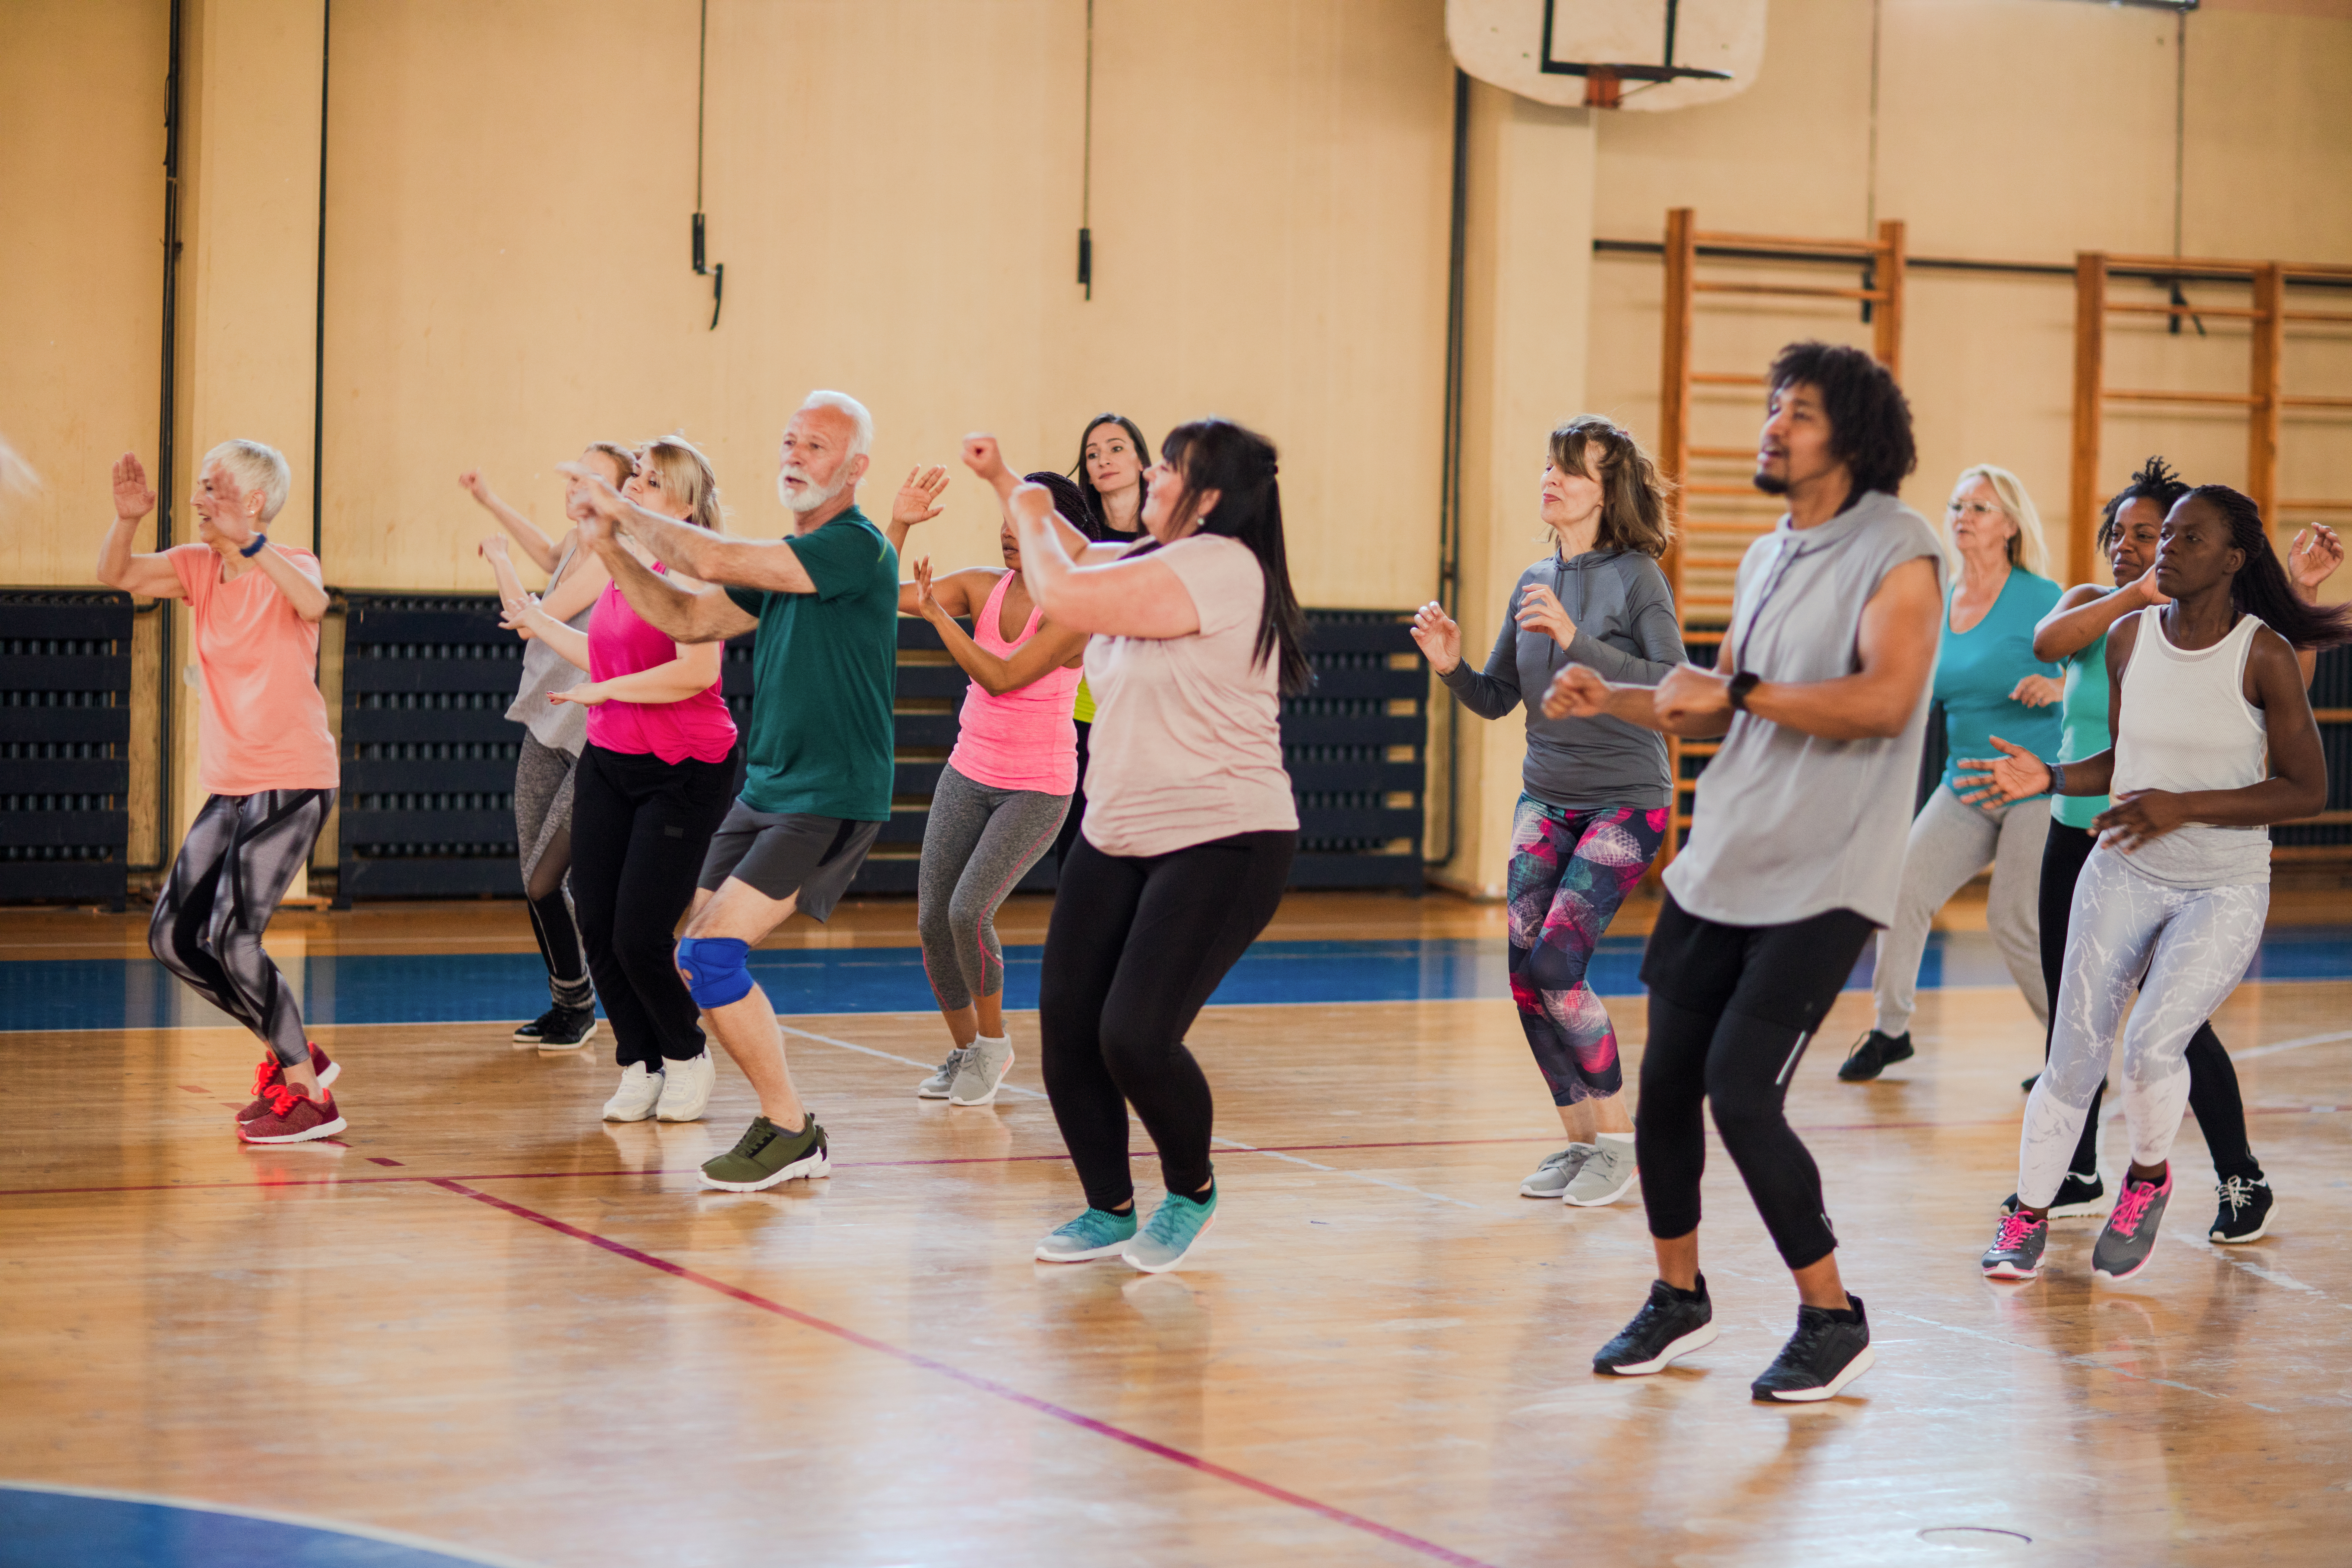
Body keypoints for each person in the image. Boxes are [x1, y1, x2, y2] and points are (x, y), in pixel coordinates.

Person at [1542, 342, 1944, 1400]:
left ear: (1850, 436)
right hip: (1722, 858)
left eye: (1797, 413)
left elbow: (1883, 701)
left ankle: (1828, 1314)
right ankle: (1677, 1296)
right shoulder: (1768, 550)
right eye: (1770, 407)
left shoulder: (1897, 546)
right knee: (1665, 1087)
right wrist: (1619, 699)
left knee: (1738, 1092)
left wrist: (1743, 691)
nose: (1771, 426)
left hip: (1825, 873)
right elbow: (1724, 695)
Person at [1968, 485, 2346, 1284]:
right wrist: (2051, 775)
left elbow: (2306, 788)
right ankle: (2026, 1213)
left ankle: (2146, 1178)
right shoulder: (2129, 637)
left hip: (2222, 885)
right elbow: (2120, 762)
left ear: (2233, 559)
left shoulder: (2263, 653)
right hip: (2124, 868)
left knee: (2147, 1049)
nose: (2165, 548)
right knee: (2070, 1050)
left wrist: (2185, 806)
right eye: (2160, 535)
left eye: (2186, 538)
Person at [561, 392, 935, 1192]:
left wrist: (621, 514)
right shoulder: (786, 559)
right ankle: (761, 1111)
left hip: (829, 795)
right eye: (791, 439)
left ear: (856, 468)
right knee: (685, 950)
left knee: (711, 949)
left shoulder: (855, 546)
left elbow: (708, 560)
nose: (796, 454)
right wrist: (613, 546)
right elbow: (690, 616)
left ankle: (789, 1127)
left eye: (819, 445)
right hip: (766, 786)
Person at [1011, 417, 1308, 1274]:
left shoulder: (1222, 565)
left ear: (1207, 497)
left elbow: (1061, 590)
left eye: (1167, 466)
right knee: (1068, 1028)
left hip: (1225, 834)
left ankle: (1191, 1187)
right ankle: (1107, 1206)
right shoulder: (1146, 558)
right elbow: (1077, 553)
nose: (1148, 472)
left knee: (1135, 1034)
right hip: (1118, 830)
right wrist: (1009, 485)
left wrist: (1028, 509)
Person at [1409, 416, 1683, 1206]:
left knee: (1559, 968)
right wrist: (1452, 665)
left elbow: (1670, 686)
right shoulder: (1533, 579)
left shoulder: (1637, 578)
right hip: (1546, 796)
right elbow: (1497, 698)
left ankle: (1621, 1141)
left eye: (1571, 470)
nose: (1551, 479)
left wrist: (1579, 640)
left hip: (1625, 802)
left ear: (1608, 491)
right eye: (1550, 466)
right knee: (1525, 977)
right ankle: (1580, 1142)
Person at [99, 442, 345, 1143]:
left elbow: (313, 603)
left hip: (293, 779)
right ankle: (295, 1053)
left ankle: (310, 1096)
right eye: (200, 487)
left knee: (235, 938)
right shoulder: (197, 567)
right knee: (174, 938)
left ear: (255, 504)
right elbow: (116, 572)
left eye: (214, 488)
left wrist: (254, 544)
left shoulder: (290, 562)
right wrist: (126, 520)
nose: (199, 499)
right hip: (232, 784)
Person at [505, 437, 736, 1123]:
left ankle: (688, 1052)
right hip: (612, 760)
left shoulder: (697, 573)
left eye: (655, 482)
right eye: (638, 475)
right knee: (597, 921)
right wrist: (541, 623)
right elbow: (601, 654)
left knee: (640, 933)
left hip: (685, 772)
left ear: (688, 507)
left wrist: (606, 692)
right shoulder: (625, 561)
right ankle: (641, 1062)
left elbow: (696, 674)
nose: (638, 486)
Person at [1839, 466, 2064, 1081]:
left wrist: (2060, 682)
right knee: (1900, 891)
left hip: (2036, 785)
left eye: (1981, 508)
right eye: (1958, 504)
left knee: (2011, 918)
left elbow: (2102, 677)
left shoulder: (2042, 598)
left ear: (2010, 526)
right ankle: (1890, 1030)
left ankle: (2069, 1051)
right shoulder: (1936, 599)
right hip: (1964, 785)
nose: (1964, 516)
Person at [887, 465, 1091, 1106]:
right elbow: (878, 593)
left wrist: (938, 619)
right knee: (930, 922)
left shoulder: (1076, 609)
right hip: (969, 771)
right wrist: (898, 523)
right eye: (1005, 518)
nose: (1007, 532)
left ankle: (995, 1047)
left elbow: (1004, 677)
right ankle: (966, 1051)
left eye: (1024, 521)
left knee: (967, 912)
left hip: (1038, 787)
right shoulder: (981, 586)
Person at [467, 444, 635, 1049]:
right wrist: (490, 501)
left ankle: (591, 1003)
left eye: (592, 478)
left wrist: (498, 558)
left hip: (591, 736)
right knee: (532, 876)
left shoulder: (614, 555)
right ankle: (571, 1002)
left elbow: (526, 615)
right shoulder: (578, 545)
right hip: (546, 723)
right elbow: (547, 551)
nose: (575, 484)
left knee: (548, 880)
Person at [1053, 414, 1155, 872]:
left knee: (1143, 850)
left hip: (1151, 715)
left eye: (1115, 448)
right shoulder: (1076, 542)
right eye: (1092, 454)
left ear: (1140, 460)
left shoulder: (1171, 538)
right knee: (1077, 851)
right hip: (1081, 714)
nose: (1103, 460)